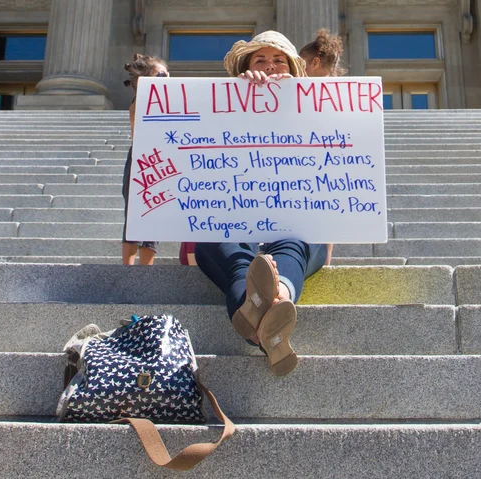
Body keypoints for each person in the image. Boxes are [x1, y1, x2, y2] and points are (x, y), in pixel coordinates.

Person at [195, 31, 328, 377]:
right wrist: (237, 101)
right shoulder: (220, 113)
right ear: (244, 68)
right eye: (260, 60)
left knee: (294, 243)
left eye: (279, 60)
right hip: (235, 226)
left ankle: (265, 303)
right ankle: (272, 316)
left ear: (294, 72)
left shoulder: (319, 113)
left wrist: (297, 103)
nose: (270, 67)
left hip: (294, 231)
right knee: (223, 245)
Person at [121, 54, 169, 265]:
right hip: (141, 160)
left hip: (164, 160)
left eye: (167, 75)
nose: (166, 78)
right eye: (160, 75)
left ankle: (146, 270)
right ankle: (127, 268)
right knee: (134, 215)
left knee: (156, 214)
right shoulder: (139, 101)